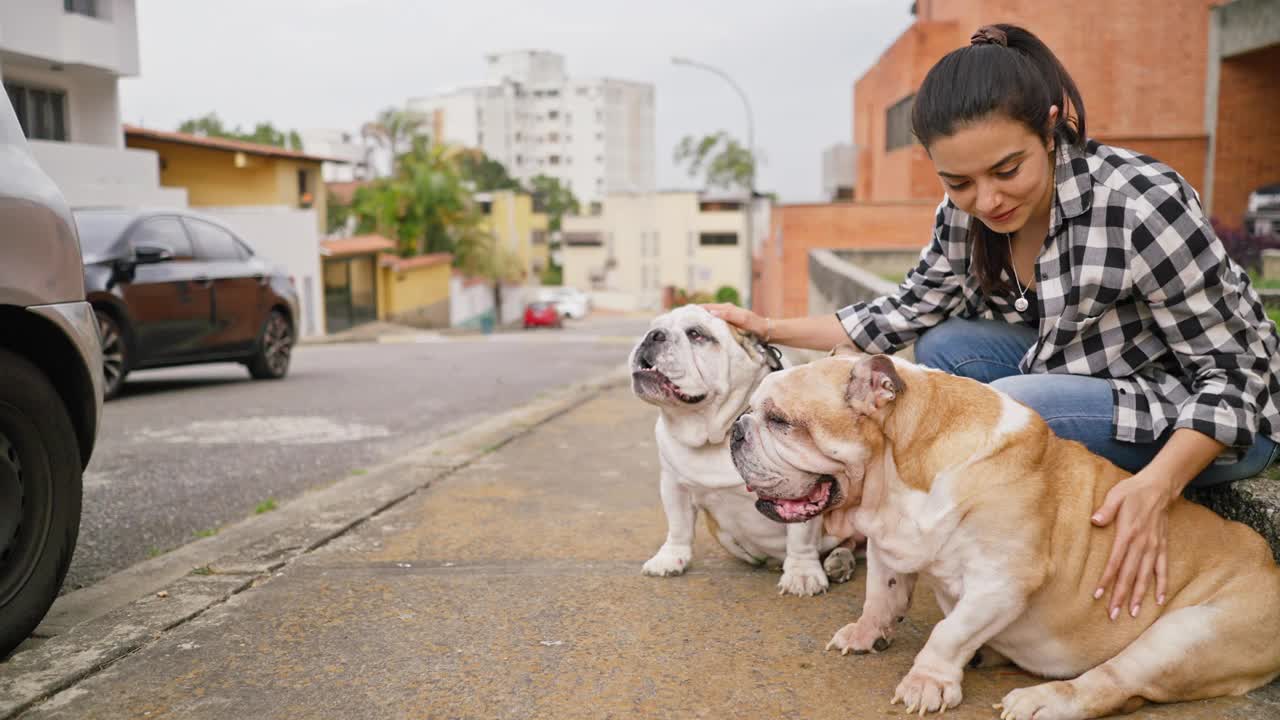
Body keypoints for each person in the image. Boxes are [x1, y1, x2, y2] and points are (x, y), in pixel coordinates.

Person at [707, 23, 1280, 628]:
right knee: (941, 351)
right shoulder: (964, 216)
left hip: (1205, 418)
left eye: (1008, 169)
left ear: (1053, 127)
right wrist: (765, 326)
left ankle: (969, 547)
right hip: (1089, 375)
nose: (987, 200)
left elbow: (1241, 377)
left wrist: (1158, 487)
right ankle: (918, 524)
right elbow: (904, 312)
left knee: (1006, 409)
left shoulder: (1139, 203)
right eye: (959, 182)